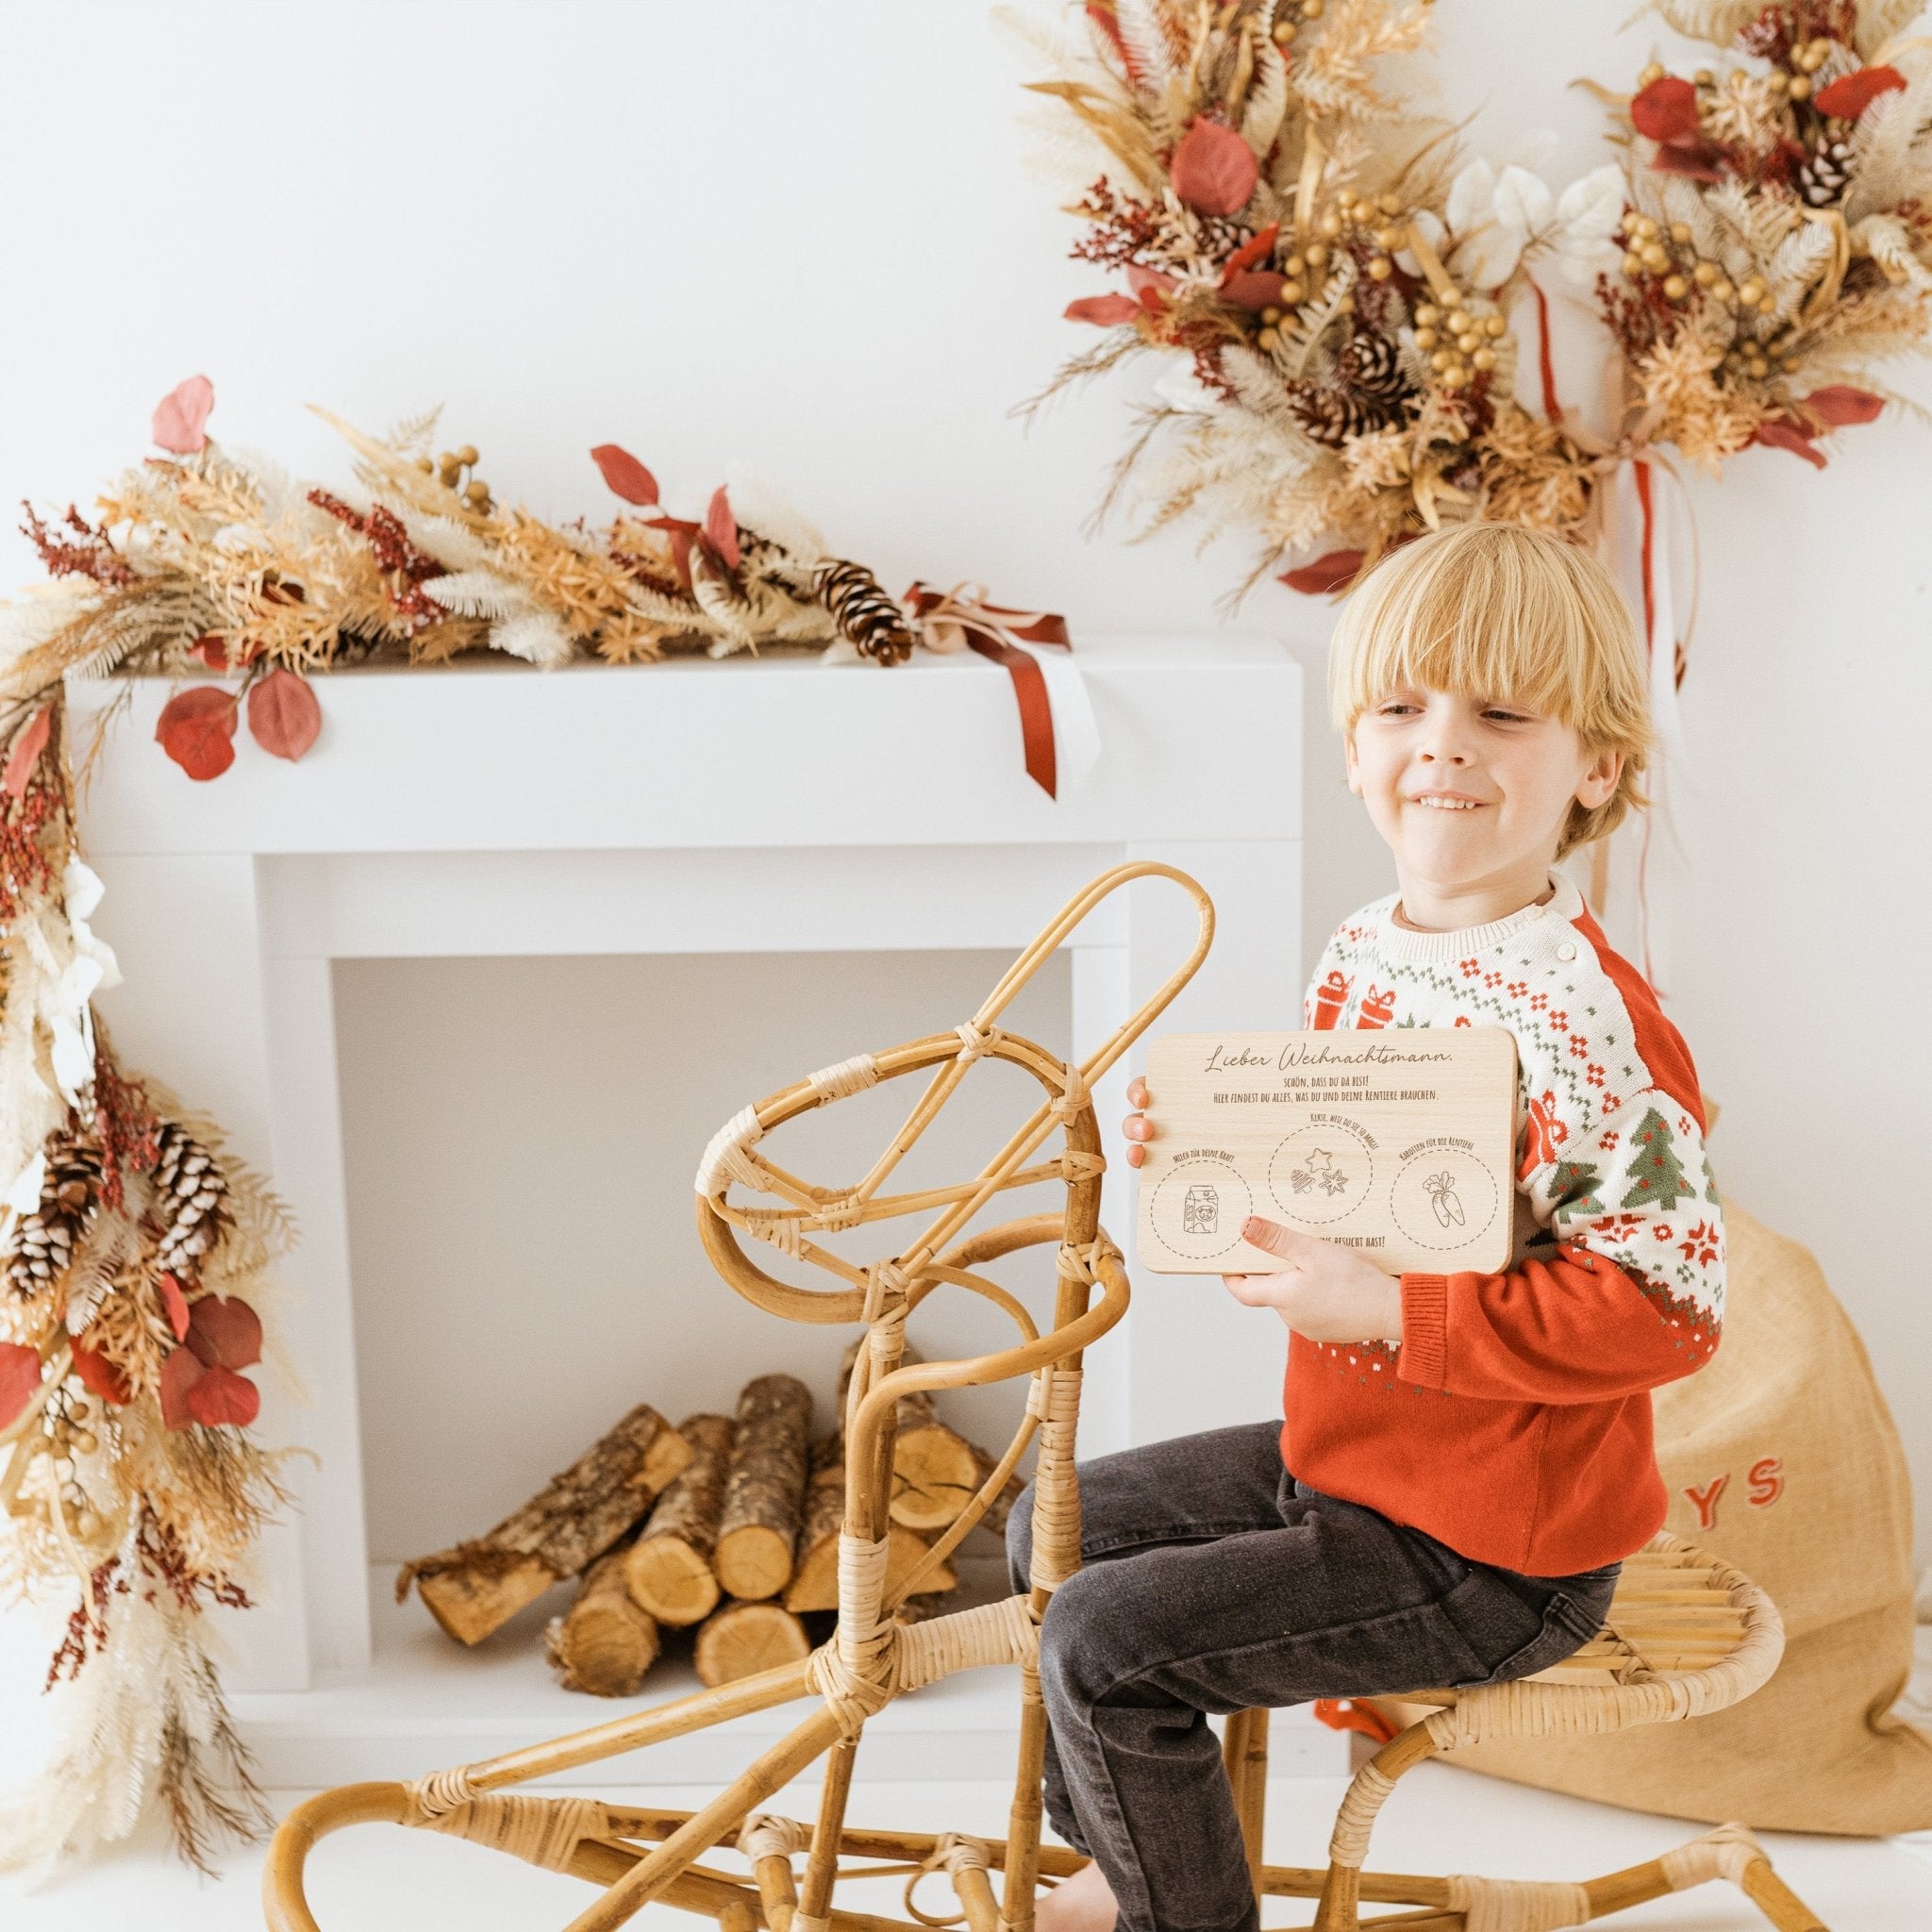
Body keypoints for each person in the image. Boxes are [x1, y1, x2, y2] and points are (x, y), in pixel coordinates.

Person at [1007, 523, 1726, 1932]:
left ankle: (1180, 1916)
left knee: (1100, 1644)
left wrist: (1398, 1317)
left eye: (1501, 714)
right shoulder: (1369, 949)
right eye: (1402, 708)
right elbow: (1372, 1191)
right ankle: (1129, 1856)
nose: (1443, 746)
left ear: (1598, 767)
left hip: (1491, 1547)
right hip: (1352, 1467)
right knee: (1057, 1524)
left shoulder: (1591, 1023)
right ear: (1354, 751)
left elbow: (1664, 1309)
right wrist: (1217, 1160)